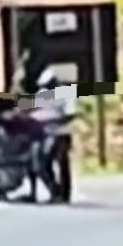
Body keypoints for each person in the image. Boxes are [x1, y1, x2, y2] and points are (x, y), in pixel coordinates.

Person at [33, 67, 76, 203]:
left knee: (62, 164)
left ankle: (64, 195)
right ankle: (54, 191)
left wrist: (55, 120)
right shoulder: (42, 94)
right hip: (45, 134)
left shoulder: (66, 94)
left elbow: (70, 114)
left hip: (62, 133)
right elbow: (36, 110)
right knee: (42, 164)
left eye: (50, 85)